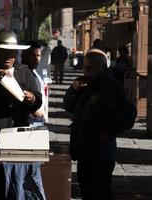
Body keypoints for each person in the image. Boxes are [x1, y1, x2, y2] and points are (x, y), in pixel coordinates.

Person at [63, 48, 137, 200]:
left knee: (100, 193)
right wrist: (73, 90)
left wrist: (108, 132)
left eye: (91, 67)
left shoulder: (112, 88)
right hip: (84, 152)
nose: (86, 71)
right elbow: (69, 107)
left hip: (100, 154)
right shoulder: (86, 85)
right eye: (85, 67)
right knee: (87, 193)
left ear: (103, 67)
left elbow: (129, 113)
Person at [21, 40, 47, 126]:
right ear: (24, 55)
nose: (36, 59)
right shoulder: (19, 73)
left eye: (38, 55)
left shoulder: (36, 74)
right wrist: (33, 109)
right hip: (27, 123)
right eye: (32, 55)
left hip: (37, 122)